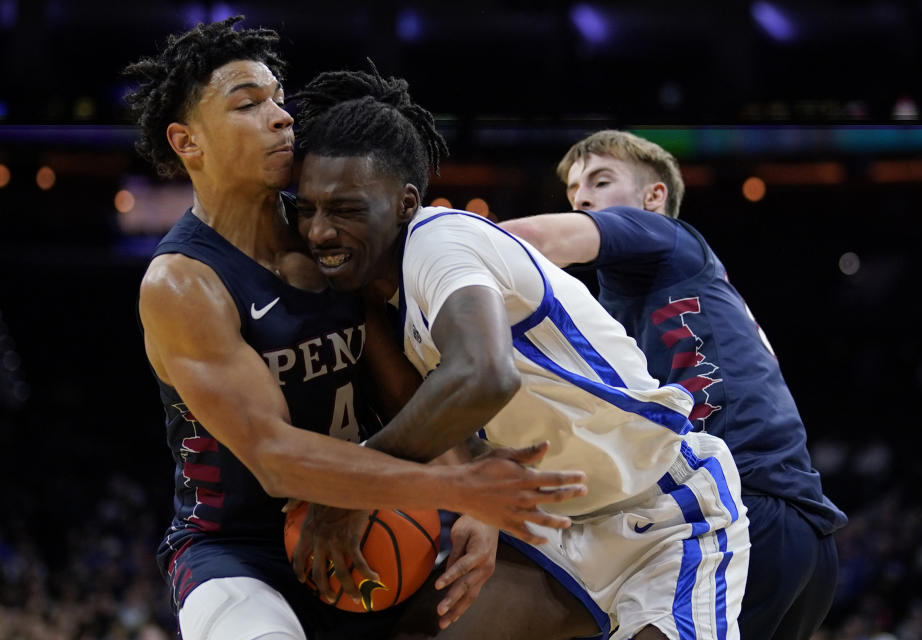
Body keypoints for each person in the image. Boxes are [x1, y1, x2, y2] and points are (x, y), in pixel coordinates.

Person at [125, 17, 588, 640]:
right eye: (249, 104)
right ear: (187, 142)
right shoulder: (183, 284)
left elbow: (399, 384)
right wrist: (457, 487)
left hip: (377, 518)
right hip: (241, 550)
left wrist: (472, 478)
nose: (281, 117)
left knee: (569, 607)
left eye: (279, 100)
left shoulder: (326, 230)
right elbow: (275, 459)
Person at [292, 65, 751, 640]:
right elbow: (450, 422)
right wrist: (476, 505)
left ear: (405, 203)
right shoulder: (384, 303)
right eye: (306, 209)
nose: (319, 231)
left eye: (345, 209)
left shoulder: (439, 241)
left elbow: (484, 377)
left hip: (661, 505)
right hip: (548, 524)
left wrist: (359, 484)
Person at [500, 130, 849, 640]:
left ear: (653, 197)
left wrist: (426, 253)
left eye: (600, 181)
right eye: (575, 192)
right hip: (797, 533)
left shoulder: (667, 240)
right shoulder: (613, 307)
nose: (583, 199)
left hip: (742, 510)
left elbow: (530, 241)